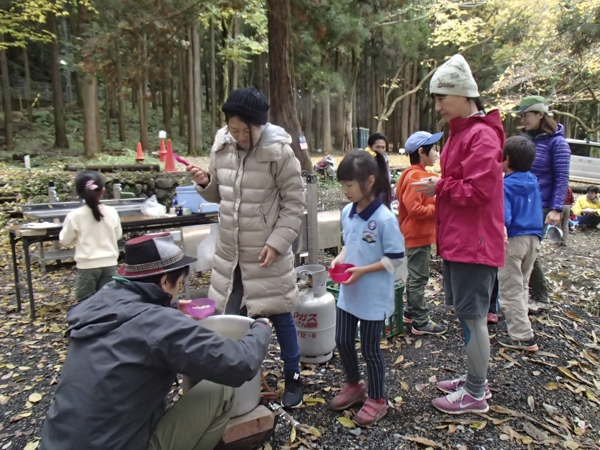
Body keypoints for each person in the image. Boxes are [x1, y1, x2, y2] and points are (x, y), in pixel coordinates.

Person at [40, 233, 272, 450]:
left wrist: (169, 304)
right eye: (178, 283)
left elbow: (137, 309)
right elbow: (239, 363)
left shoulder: (100, 301)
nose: (179, 290)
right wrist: (260, 326)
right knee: (221, 390)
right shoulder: (158, 324)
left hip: (57, 441)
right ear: (164, 282)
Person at [186, 86, 305, 408]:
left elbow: (294, 204)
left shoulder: (279, 152)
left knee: (280, 314)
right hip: (230, 252)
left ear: (259, 125)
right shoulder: (222, 145)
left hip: (266, 253)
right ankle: (235, 380)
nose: (237, 135)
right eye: (233, 128)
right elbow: (217, 195)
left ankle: (293, 375)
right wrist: (203, 181)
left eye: (244, 130)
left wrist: (278, 243)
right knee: (231, 315)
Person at [413, 54, 505, 415]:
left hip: (474, 244)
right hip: (459, 241)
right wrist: (445, 186)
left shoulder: (480, 136)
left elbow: (479, 191)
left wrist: (441, 187)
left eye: (441, 98)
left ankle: (476, 393)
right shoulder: (461, 133)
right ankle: (472, 379)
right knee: (468, 315)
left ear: (464, 95)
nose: (437, 106)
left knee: (473, 317)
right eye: (435, 99)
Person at [328, 150, 405, 426]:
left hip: (373, 297)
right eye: (343, 185)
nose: (345, 191)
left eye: (349, 185)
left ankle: (378, 398)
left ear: (370, 181)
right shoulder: (347, 212)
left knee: (371, 349)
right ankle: (353, 384)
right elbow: (350, 243)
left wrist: (362, 270)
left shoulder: (385, 219)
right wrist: (340, 258)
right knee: (343, 340)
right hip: (349, 292)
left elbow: (395, 258)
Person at [513, 96, 571, 313]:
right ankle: (522, 293)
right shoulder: (525, 138)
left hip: (543, 203)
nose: (523, 119)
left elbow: (562, 178)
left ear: (540, 114)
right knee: (518, 249)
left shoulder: (558, 143)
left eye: (526, 115)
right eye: (521, 115)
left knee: (528, 250)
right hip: (521, 201)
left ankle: (540, 296)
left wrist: (556, 208)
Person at [396, 131, 447, 335]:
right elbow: (415, 210)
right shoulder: (416, 177)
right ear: (421, 152)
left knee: (417, 276)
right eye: (434, 149)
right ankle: (421, 321)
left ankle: (410, 312)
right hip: (417, 235)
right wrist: (439, 209)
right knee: (419, 278)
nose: (437, 153)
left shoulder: (414, 173)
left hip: (419, 235)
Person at [497, 136, 543, 352]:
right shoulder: (533, 181)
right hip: (534, 239)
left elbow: (503, 216)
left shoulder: (505, 186)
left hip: (514, 239)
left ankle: (523, 337)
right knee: (522, 284)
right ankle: (522, 325)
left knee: (510, 288)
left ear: (506, 159)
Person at [59, 170, 122, 302]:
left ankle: (88, 321)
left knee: (85, 300)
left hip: (87, 265)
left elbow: (65, 240)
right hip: (109, 262)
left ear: (78, 192)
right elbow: (118, 235)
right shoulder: (112, 212)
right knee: (108, 299)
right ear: (102, 190)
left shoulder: (75, 215)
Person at [365, 132, 392, 206]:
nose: (381, 150)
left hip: (385, 194)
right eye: (378, 147)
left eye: (383, 147)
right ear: (370, 147)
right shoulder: (365, 160)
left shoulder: (385, 159)